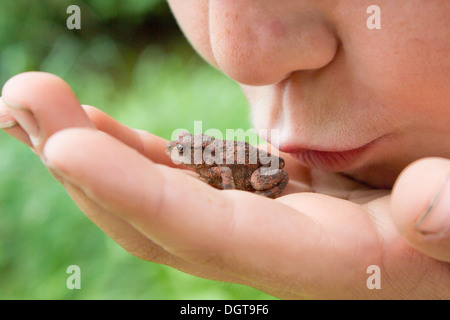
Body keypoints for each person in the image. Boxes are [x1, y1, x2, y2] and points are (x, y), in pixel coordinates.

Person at [0, 0, 449, 299]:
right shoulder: (206, 157)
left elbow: (240, 173)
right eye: (185, 150)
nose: (238, 57)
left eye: (187, 152)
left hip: (264, 172)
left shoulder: (213, 165)